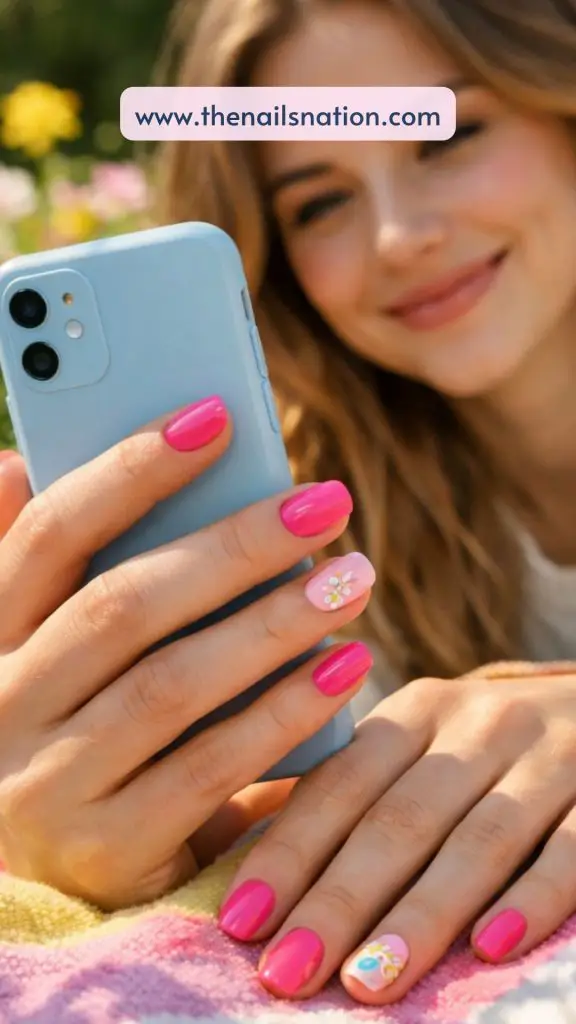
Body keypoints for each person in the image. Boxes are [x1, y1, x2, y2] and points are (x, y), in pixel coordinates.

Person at [1, 0, 576, 1009]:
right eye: (318, 201)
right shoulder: (290, 544)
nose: (400, 236)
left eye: (444, 135)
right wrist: (71, 843)